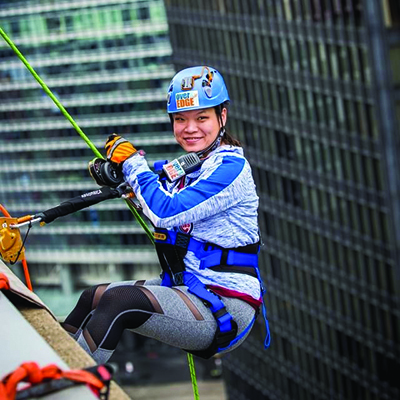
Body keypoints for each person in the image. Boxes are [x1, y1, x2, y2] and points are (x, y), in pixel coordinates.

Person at [62, 66, 270, 364]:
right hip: (189, 287)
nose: (190, 128)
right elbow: (154, 192)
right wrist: (123, 177)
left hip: (225, 303)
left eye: (202, 118)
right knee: (90, 298)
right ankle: (53, 361)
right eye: (180, 119)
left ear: (222, 117)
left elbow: (163, 211)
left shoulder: (230, 169)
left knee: (119, 302)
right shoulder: (191, 165)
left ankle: (69, 385)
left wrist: (132, 163)